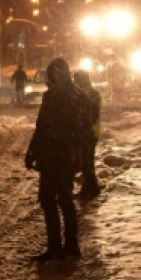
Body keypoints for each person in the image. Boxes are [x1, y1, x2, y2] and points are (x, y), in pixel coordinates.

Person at [25, 58, 91, 261]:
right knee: (49, 199)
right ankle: (58, 247)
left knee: (62, 198)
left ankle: (68, 246)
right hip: (52, 157)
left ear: (61, 74)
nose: (50, 80)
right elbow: (42, 127)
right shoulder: (59, 97)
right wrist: (33, 151)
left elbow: (83, 131)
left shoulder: (75, 98)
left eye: (53, 76)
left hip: (62, 157)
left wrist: (76, 153)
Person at [73, 69, 102, 198]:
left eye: (77, 80)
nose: (75, 82)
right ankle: (89, 186)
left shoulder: (90, 94)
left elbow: (93, 115)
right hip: (89, 131)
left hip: (89, 132)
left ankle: (91, 188)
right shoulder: (90, 93)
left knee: (87, 160)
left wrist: (85, 125)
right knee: (87, 160)